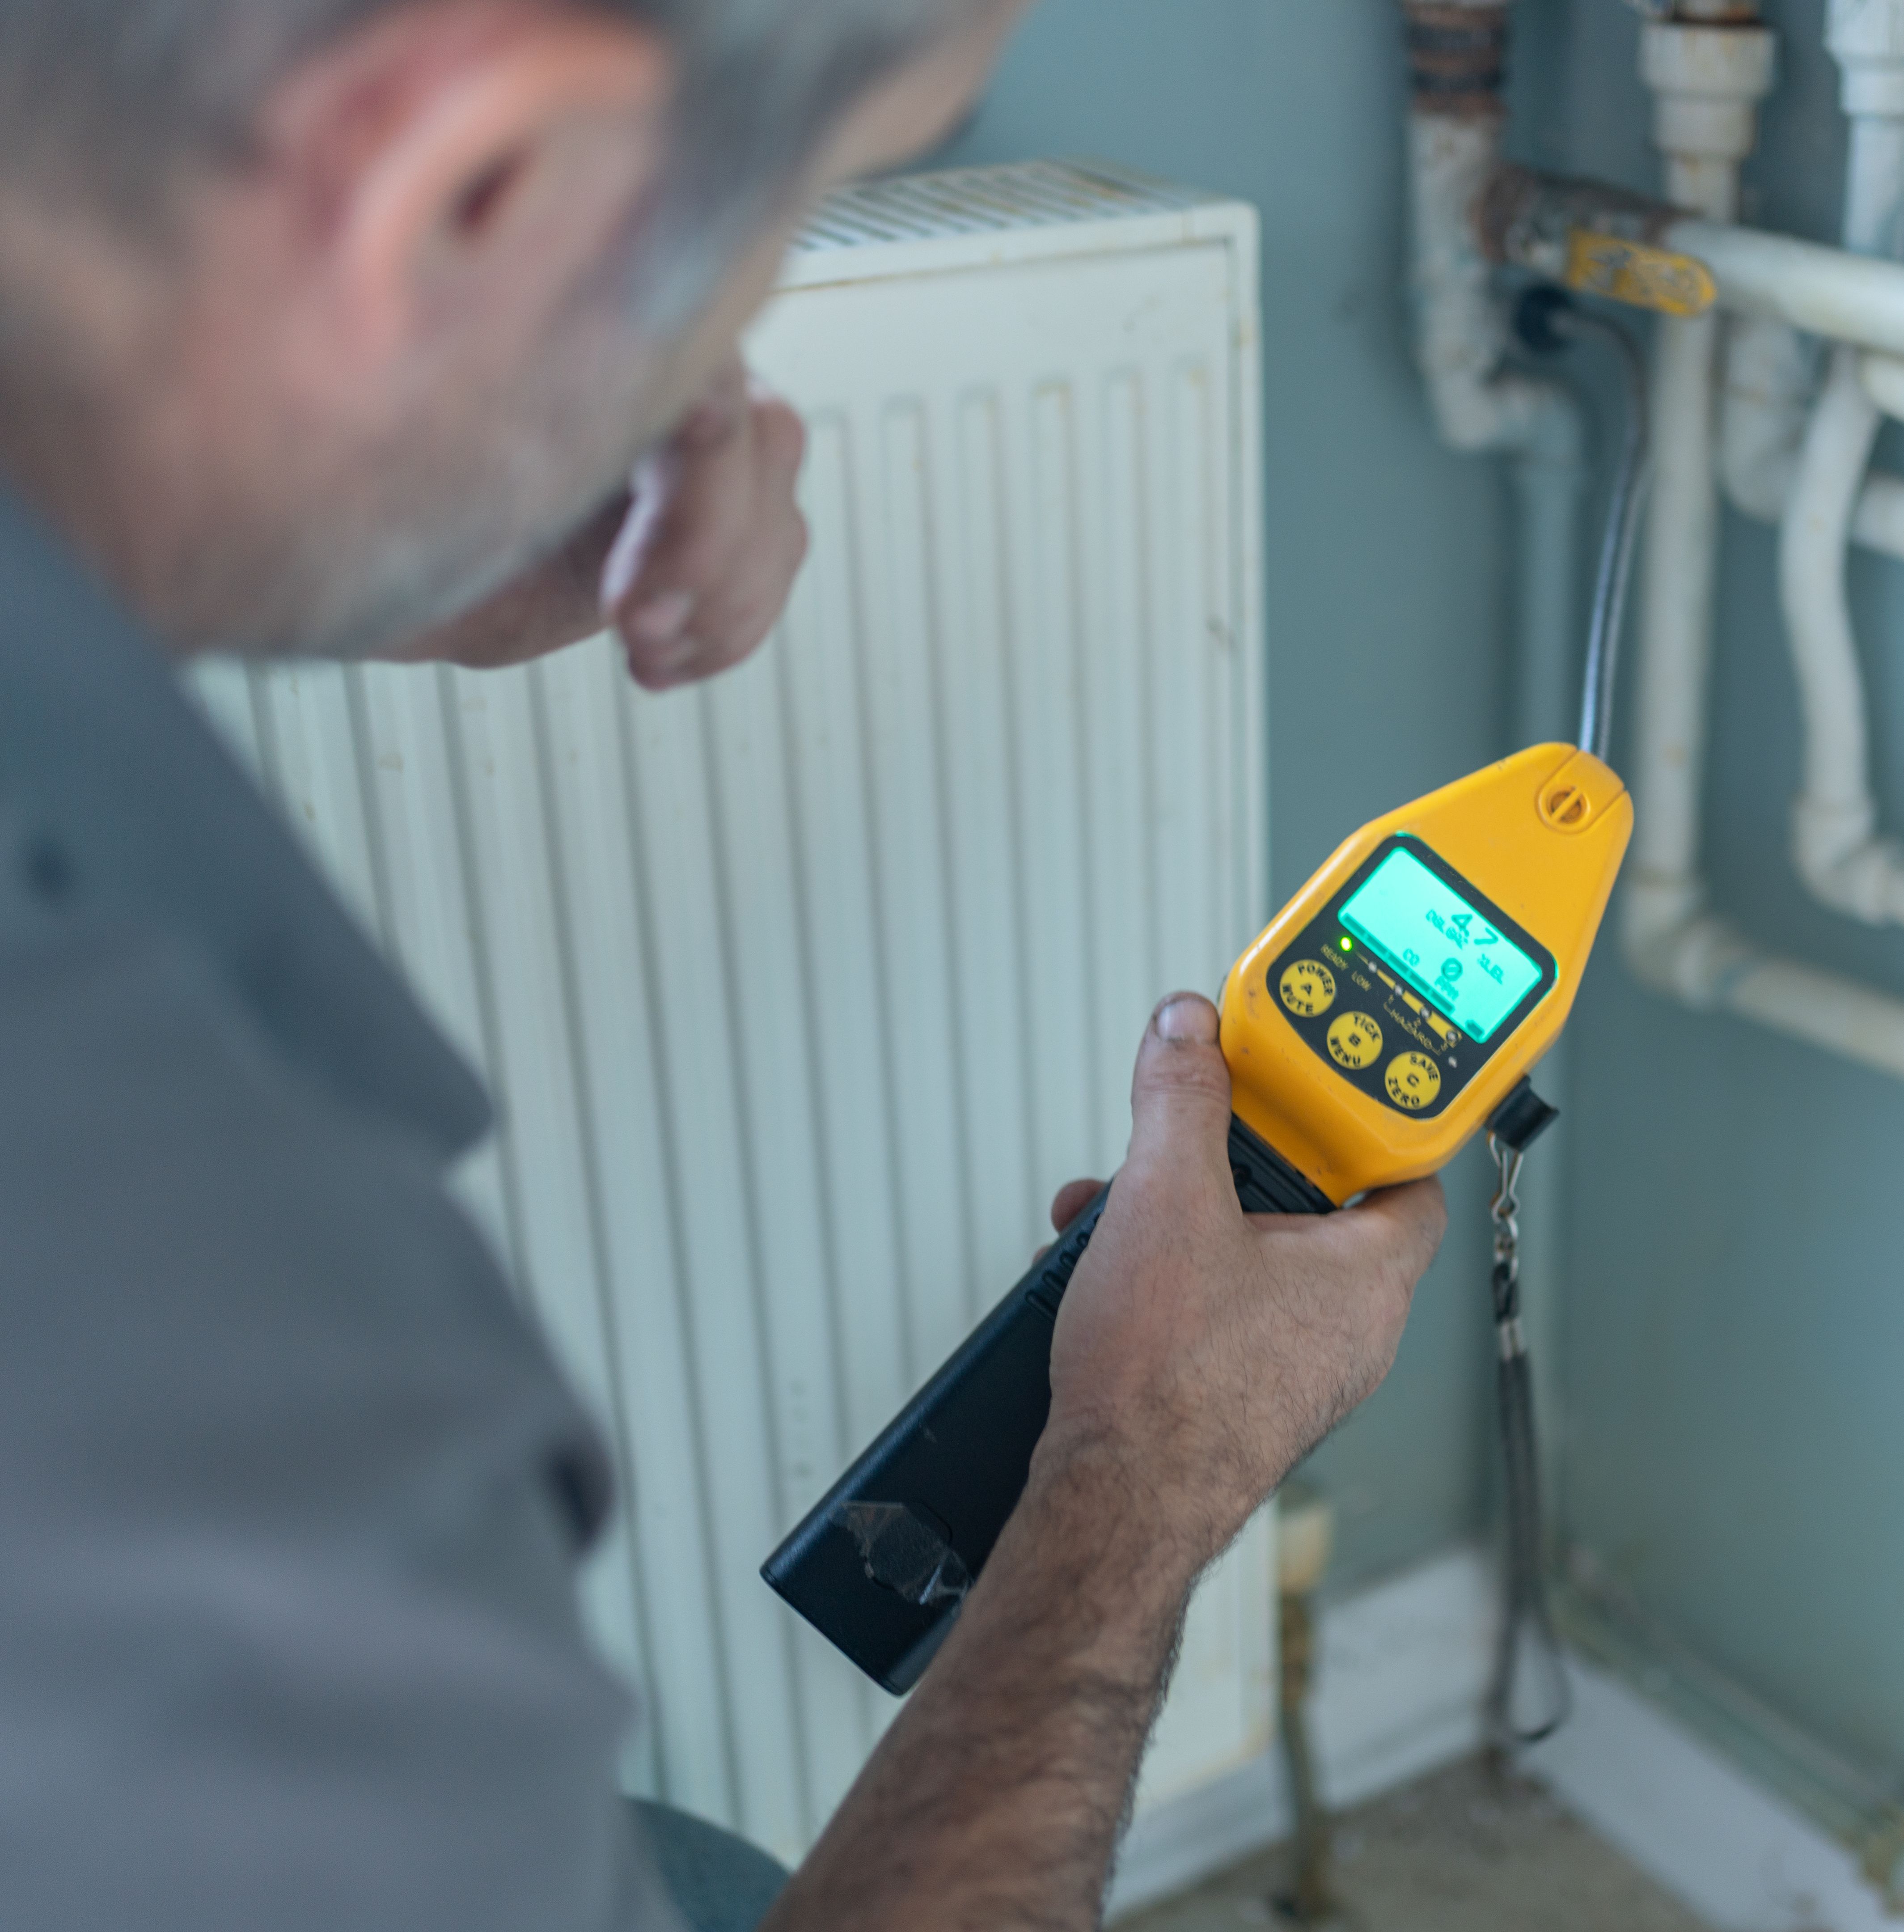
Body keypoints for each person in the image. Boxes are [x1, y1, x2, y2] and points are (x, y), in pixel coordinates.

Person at [0, 4, 1448, 1929]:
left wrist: (376, 496)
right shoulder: (201, 1318)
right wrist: (1142, 1475)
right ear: (475, 187)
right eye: (820, 197)